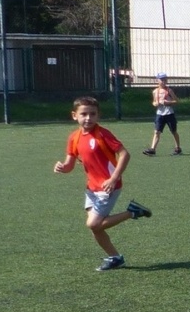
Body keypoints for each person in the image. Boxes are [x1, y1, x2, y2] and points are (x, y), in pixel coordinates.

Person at [53, 96, 153, 271]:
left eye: (93, 114)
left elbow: (124, 154)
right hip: (91, 188)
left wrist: (114, 178)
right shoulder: (74, 138)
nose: (88, 118)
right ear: (74, 115)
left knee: (93, 224)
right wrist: (62, 167)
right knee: (96, 228)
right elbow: (69, 165)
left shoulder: (103, 134)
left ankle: (132, 212)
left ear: (98, 115)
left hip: (108, 186)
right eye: (84, 114)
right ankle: (115, 257)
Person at [142, 72, 181, 156]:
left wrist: (168, 102)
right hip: (160, 114)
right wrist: (155, 104)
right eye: (162, 79)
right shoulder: (155, 91)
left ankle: (178, 148)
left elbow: (177, 101)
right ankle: (153, 149)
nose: (164, 81)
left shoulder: (169, 90)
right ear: (158, 80)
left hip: (169, 114)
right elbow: (154, 101)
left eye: (165, 79)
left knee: (173, 131)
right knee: (157, 132)